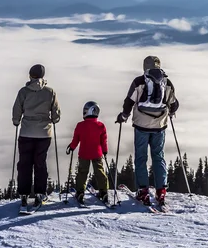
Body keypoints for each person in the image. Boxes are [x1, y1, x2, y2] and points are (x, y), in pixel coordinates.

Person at [116, 56, 179, 206]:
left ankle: (143, 191)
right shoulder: (167, 82)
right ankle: (161, 191)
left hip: (141, 126)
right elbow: (174, 104)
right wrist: (170, 112)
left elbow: (129, 102)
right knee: (158, 156)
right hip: (160, 126)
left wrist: (124, 116)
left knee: (141, 158)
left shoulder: (139, 81)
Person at [12, 64, 61, 208]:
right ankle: (40, 193)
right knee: (40, 163)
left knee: (24, 163)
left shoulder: (23, 92)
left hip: (26, 132)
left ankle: (23, 194)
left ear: (30, 75)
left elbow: (17, 110)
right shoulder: (50, 92)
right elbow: (56, 113)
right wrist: (53, 120)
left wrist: (16, 122)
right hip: (44, 134)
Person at [66, 101, 109, 205]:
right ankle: (104, 192)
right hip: (97, 153)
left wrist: (71, 147)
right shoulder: (100, 126)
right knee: (99, 171)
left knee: (82, 172)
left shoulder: (80, 125)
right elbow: (104, 141)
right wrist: (105, 150)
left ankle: (80, 192)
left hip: (84, 153)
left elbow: (76, 139)